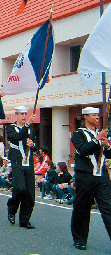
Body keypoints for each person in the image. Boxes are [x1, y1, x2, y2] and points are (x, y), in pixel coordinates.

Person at [70, 106, 111, 250]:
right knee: (82, 207)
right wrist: (97, 140)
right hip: (85, 175)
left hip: (102, 175)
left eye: (98, 116)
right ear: (85, 117)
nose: (97, 118)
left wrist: (107, 145)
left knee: (108, 207)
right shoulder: (78, 134)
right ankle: (80, 239)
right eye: (94, 115)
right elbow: (83, 150)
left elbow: (109, 154)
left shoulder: (102, 133)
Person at [6, 106, 37, 229]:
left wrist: (33, 144)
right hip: (17, 161)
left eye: (25, 114)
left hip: (28, 162)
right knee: (20, 188)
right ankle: (12, 209)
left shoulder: (30, 129)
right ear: (16, 116)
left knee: (30, 193)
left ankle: (25, 220)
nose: (24, 116)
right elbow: (17, 137)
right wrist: (28, 125)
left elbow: (35, 145)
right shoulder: (10, 128)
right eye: (21, 114)